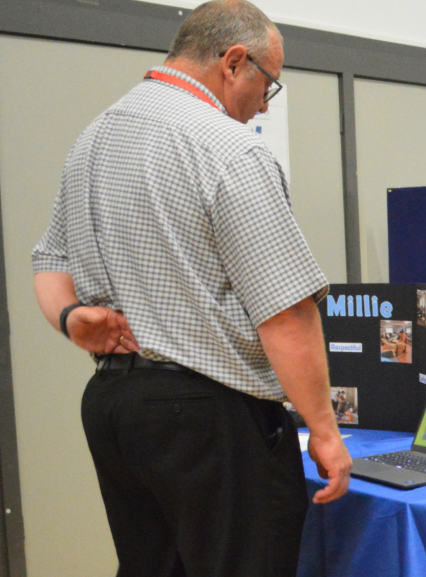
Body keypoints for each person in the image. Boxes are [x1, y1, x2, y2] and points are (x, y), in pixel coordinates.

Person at [30, 2, 352, 575]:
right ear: (233, 61)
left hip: (114, 409)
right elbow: (285, 311)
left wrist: (70, 317)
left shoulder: (92, 140)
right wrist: (324, 431)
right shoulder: (229, 148)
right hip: (208, 418)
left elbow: (48, 263)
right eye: (268, 84)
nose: (262, 104)